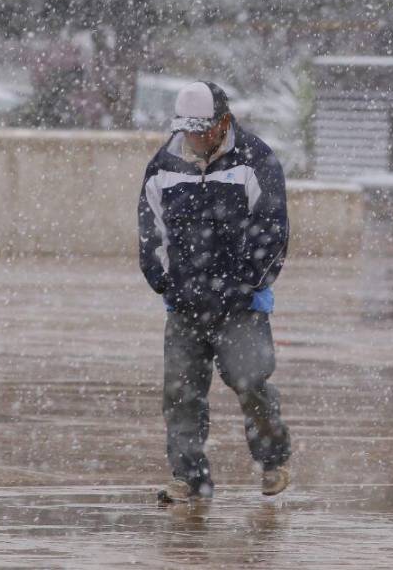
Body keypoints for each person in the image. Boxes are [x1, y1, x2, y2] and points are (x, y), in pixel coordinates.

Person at [138, 81, 292, 502]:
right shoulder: (164, 166)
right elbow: (152, 231)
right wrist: (165, 281)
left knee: (251, 382)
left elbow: (272, 229)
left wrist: (245, 282)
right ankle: (190, 478)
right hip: (185, 303)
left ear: (223, 121)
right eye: (187, 129)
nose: (194, 137)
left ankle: (273, 459)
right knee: (180, 393)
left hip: (241, 303)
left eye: (202, 129)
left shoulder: (255, 160)